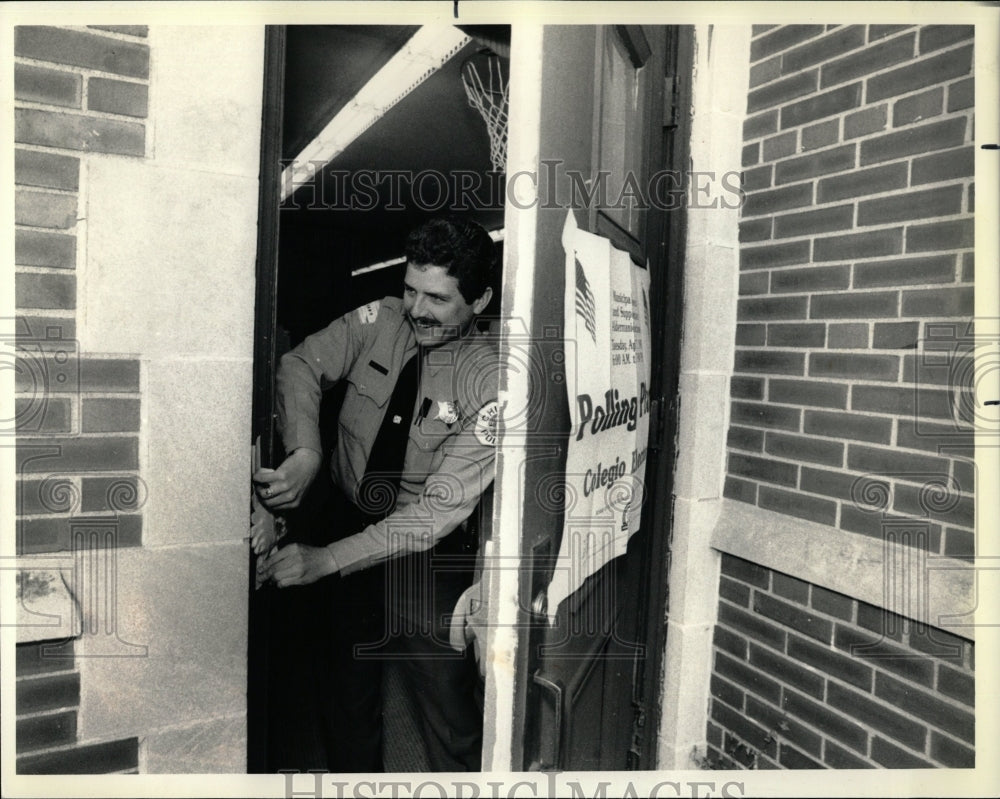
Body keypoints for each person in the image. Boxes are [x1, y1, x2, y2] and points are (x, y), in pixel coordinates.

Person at [252, 217, 498, 773]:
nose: (416, 308)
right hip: (346, 514)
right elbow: (300, 364)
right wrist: (307, 451)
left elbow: (434, 514)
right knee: (345, 687)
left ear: (478, 298)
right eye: (411, 288)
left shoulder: (490, 383)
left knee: (446, 707)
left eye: (437, 298)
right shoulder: (381, 319)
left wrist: (328, 560)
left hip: (425, 555)